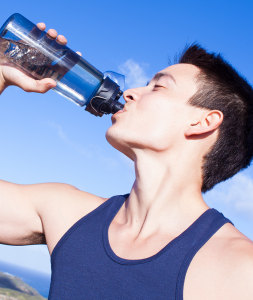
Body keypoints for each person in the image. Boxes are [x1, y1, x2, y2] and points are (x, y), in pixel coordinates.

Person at [0, 22, 253, 300]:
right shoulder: (68, 213)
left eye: (158, 87)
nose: (131, 92)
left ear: (203, 122)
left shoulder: (239, 270)